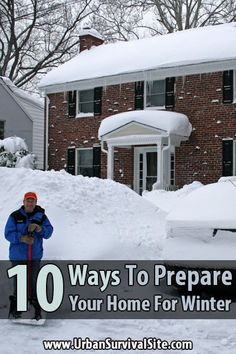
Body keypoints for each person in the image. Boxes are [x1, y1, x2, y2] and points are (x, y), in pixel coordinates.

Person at [5, 192, 53, 320]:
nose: (30, 203)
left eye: (32, 201)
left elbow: (49, 232)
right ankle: (18, 309)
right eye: (28, 201)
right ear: (24, 202)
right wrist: (22, 238)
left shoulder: (41, 217)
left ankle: (35, 308)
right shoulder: (15, 216)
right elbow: (8, 234)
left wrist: (39, 229)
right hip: (18, 256)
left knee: (33, 281)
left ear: (35, 202)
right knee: (20, 282)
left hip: (34, 256)